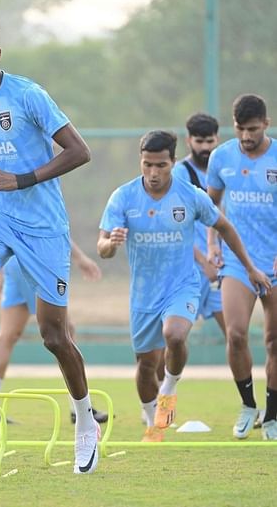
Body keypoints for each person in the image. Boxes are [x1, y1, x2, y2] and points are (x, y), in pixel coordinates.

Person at [0, 18, 100, 474]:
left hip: (44, 228)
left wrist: (22, 179)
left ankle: (86, 421)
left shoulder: (28, 94)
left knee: (54, 337)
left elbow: (79, 151)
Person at [97, 130, 270, 443]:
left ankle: (171, 387)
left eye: (161, 165)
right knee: (146, 365)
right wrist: (111, 242)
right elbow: (103, 247)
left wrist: (249, 267)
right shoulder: (123, 196)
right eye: (147, 164)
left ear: (172, 162)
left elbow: (224, 227)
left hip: (183, 285)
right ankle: (154, 422)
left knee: (174, 336)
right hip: (143, 294)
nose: (153, 172)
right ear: (141, 161)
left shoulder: (190, 195)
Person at [206, 94, 277, 441]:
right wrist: (211, 245)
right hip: (237, 261)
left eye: (252, 129)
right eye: (239, 129)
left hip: (275, 260)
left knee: (274, 340)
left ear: (266, 123)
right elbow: (211, 208)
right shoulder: (221, 157)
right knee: (235, 334)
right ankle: (249, 405)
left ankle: (273, 415)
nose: (246, 136)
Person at [0, 241, 109, 425]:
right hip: (34, 262)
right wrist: (80, 258)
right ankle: (79, 408)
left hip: (14, 264)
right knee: (65, 332)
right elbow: (52, 228)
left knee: (8, 334)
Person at [172, 113, 225, 335]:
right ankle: (165, 372)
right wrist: (204, 263)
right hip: (191, 267)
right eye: (199, 141)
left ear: (217, 139)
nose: (205, 147)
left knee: (234, 332)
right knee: (174, 335)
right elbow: (175, 228)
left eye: (209, 141)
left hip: (221, 265)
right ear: (189, 140)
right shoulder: (180, 174)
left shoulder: (224, 170)